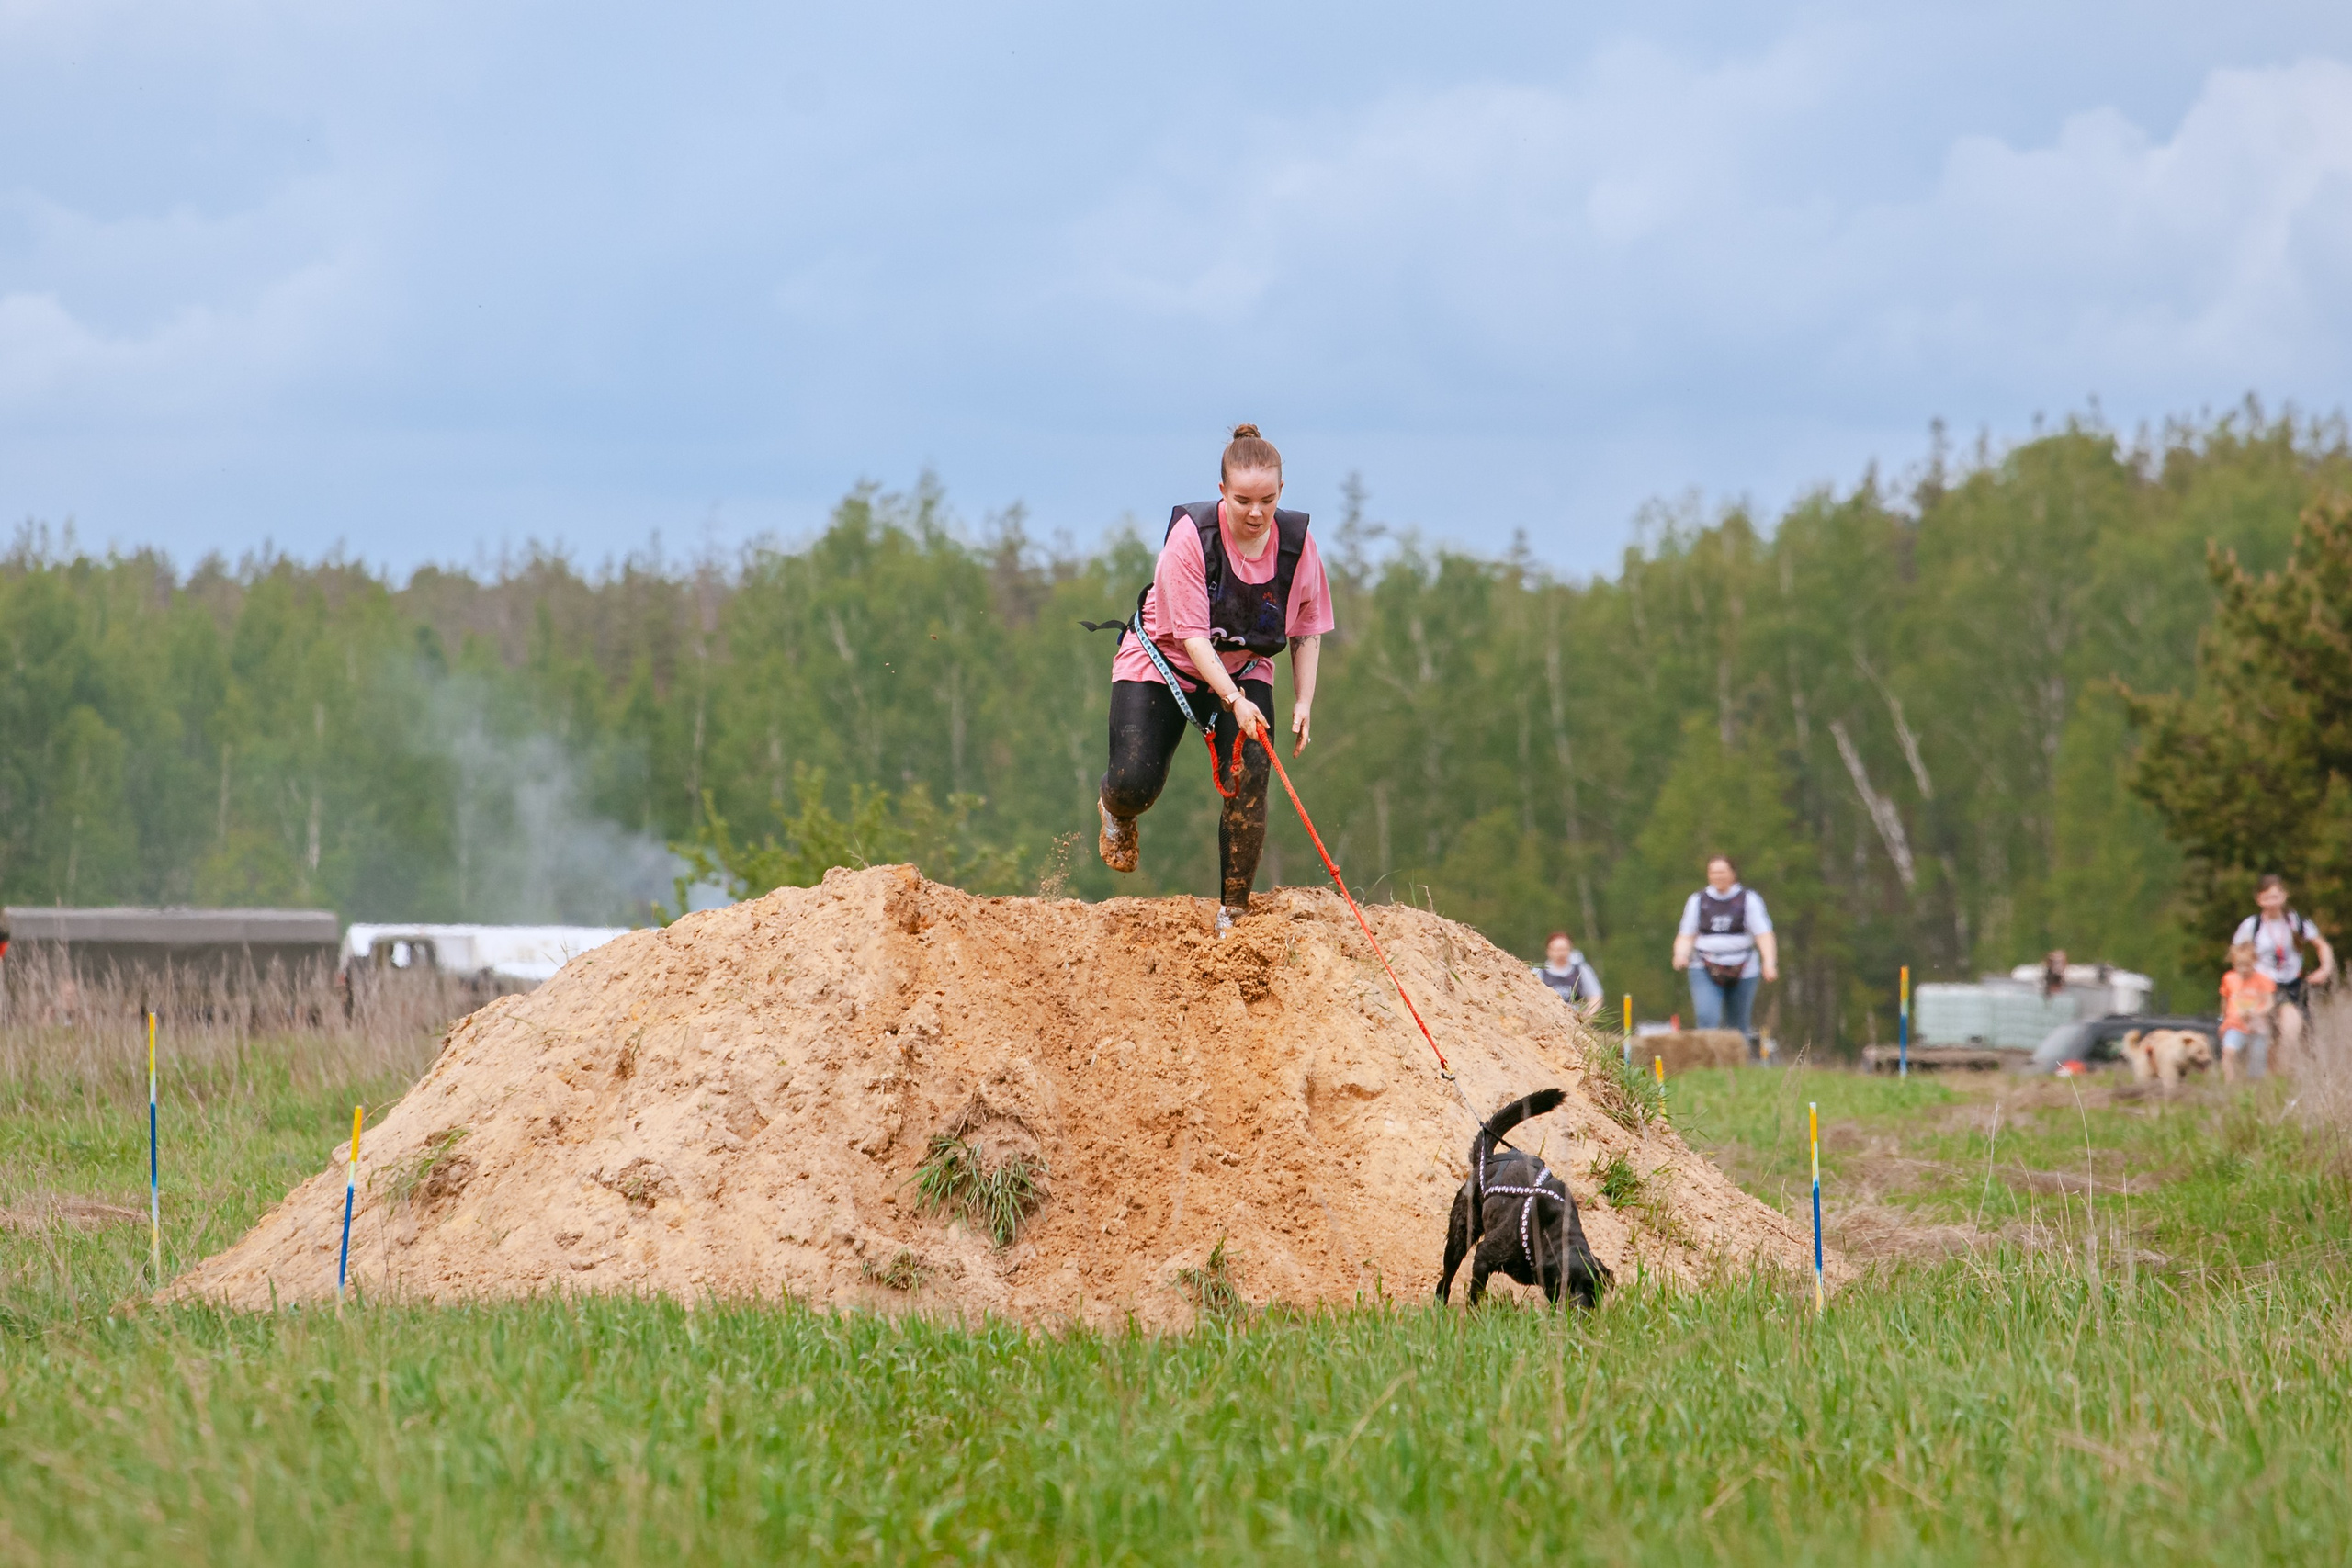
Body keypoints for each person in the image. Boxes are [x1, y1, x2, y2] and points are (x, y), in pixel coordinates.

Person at [1095, 424, 1335, 934]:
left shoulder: (1298, 545)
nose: (1255, 513)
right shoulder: (1192, 538)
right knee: (1135, 784)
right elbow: (1193, 638)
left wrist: (1304, 700)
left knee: (1251, 772)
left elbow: (1309, 627)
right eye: (1243, 499)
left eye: (1267, 500)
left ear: (1281, 494)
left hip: (1245, 666)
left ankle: (1234, 911)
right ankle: (1116, 811)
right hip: (1168, 661)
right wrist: (1231, 700)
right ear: (1222, 490)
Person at [1671, 854, 1778, 1054]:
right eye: (1713, 872)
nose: (1717, 876)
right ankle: (1707, 1063)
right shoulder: (1698, 901)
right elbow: (1686, 934)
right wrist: (1680, 955)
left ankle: (1736, 1068)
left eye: (1722, 872)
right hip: (1705, 965)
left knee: (1738, 1024)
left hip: (1743, 967)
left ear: (1733, 874)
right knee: (1706, 1015)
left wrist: (1769, 963)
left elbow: (1763, 934)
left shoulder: (1748, 900)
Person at [2232, 875, 2335, 1074]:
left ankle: (2284, 1075)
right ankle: (2269, 1076)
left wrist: (2325, 968)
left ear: (2285, 896)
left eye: (2276, 896)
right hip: (2263, 986)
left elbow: (2321, 945)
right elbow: (2236, 955)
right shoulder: (2251, 926)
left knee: (2295, 1031)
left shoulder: (2296, 922)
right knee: (2269, 1034)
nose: (2272, 902)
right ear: (2259, 899)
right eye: (2267, 897)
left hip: (2292, 984)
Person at [2218, 941, 2276, 1082]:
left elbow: (2270, 1003)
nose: (2243, 969)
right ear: (2233, 963)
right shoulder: (2229, 979)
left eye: (2247, 965)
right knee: (2228, 1053)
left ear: (2254, 961)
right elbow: (2225, 1001)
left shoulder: (2263, 981)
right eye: (2239, 965)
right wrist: (2223, 1021)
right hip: (2234, 1023)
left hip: (2256, 1026)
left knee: (2256, 1063)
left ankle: (2253, 1088)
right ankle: (2229, 1083)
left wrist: (2257, 1013)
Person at [1533, 931, 1603, 1019]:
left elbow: (1596, 995)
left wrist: (1588, 1016)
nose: (1561, 954)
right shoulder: (1538, 972)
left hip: (1574, 1019)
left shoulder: (1581, 970)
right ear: (1548, 951)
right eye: (1557, 950)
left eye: (1564, 949)